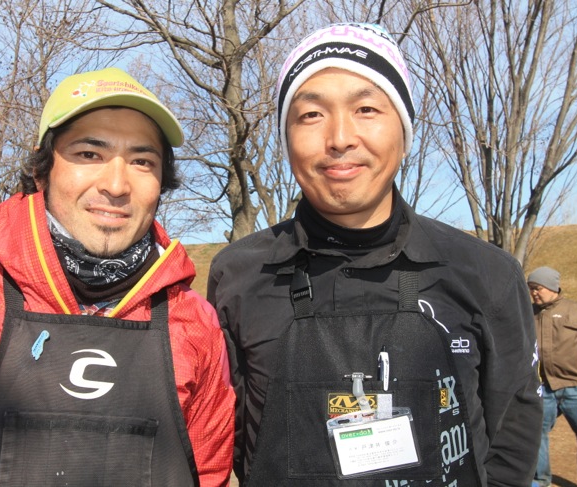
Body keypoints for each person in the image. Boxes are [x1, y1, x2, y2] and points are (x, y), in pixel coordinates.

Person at [208, 23, 542, 486]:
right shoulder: (239, 275)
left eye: (366, 108)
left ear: (404, 134)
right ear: (286, 142)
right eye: (310, 115)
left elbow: (511, 440)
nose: (340, 137)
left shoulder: (485, 274)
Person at [0, 67, 235, 486]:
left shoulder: (195, 324)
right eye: (89, 154)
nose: (116, 184)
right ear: (42, 173)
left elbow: (208, 475)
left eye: (141, 161)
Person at [527, 266, 577, 487]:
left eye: (537, 288)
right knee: (536, 433)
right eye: (531, 289)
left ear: (551, 286)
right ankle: (540, 479)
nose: (534, 293)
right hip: (544, 387)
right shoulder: (529, 313)